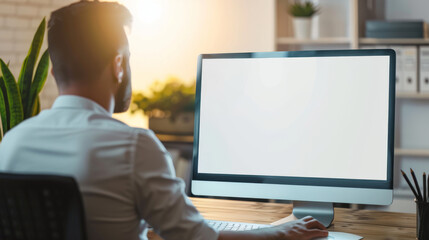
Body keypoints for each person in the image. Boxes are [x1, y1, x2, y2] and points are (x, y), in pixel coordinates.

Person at [0, 1, 328, 240]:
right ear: (118, 66)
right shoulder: (133, 146)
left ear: (53, 72)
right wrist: (279, 233)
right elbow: (195, 237)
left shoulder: (11, 143)